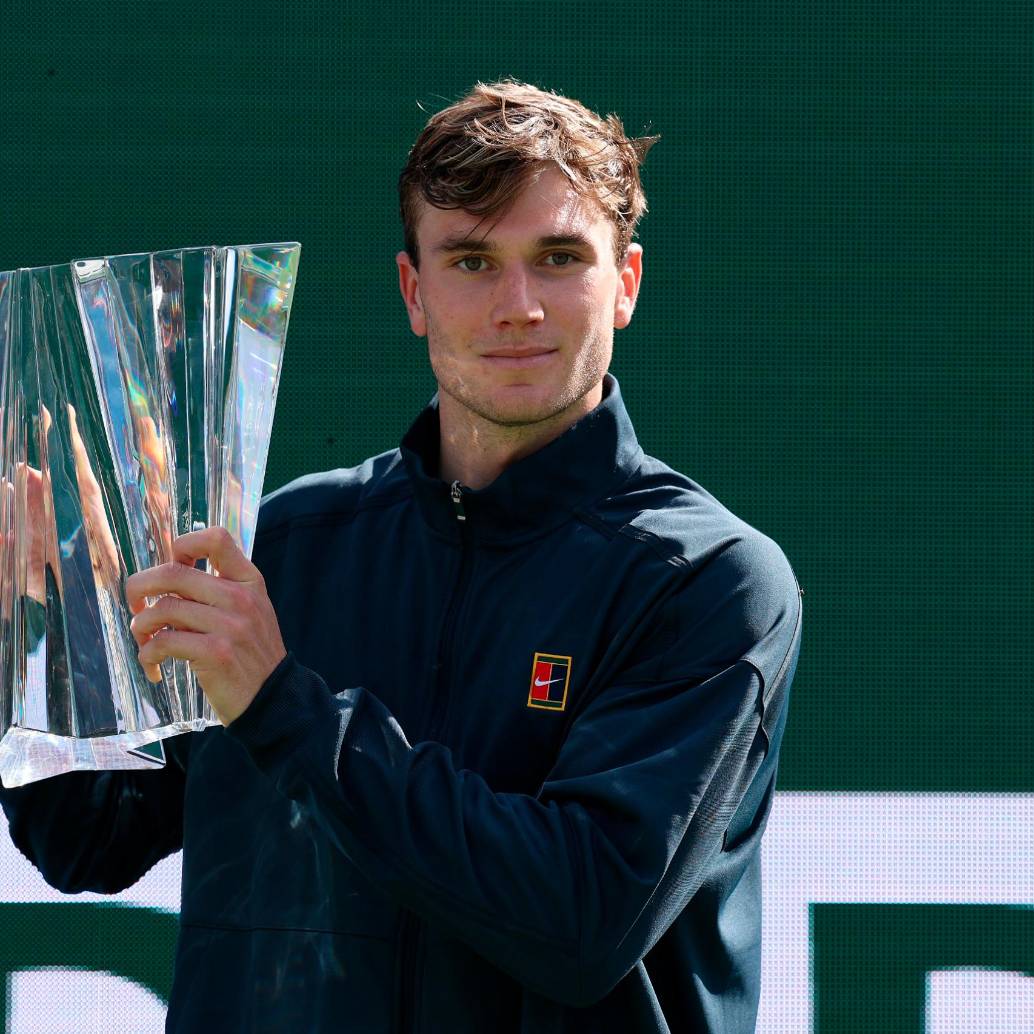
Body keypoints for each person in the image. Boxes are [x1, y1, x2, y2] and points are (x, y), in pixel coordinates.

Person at [0, 80, 803, 1033]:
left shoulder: (708, 581)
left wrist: (281, 705)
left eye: (557, 258)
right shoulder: (284, 548)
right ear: (415, 292)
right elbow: (86, 838)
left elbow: (583, 918)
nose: (518, 306)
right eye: (471, 261)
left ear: (624, 283)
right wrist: (36, 629)